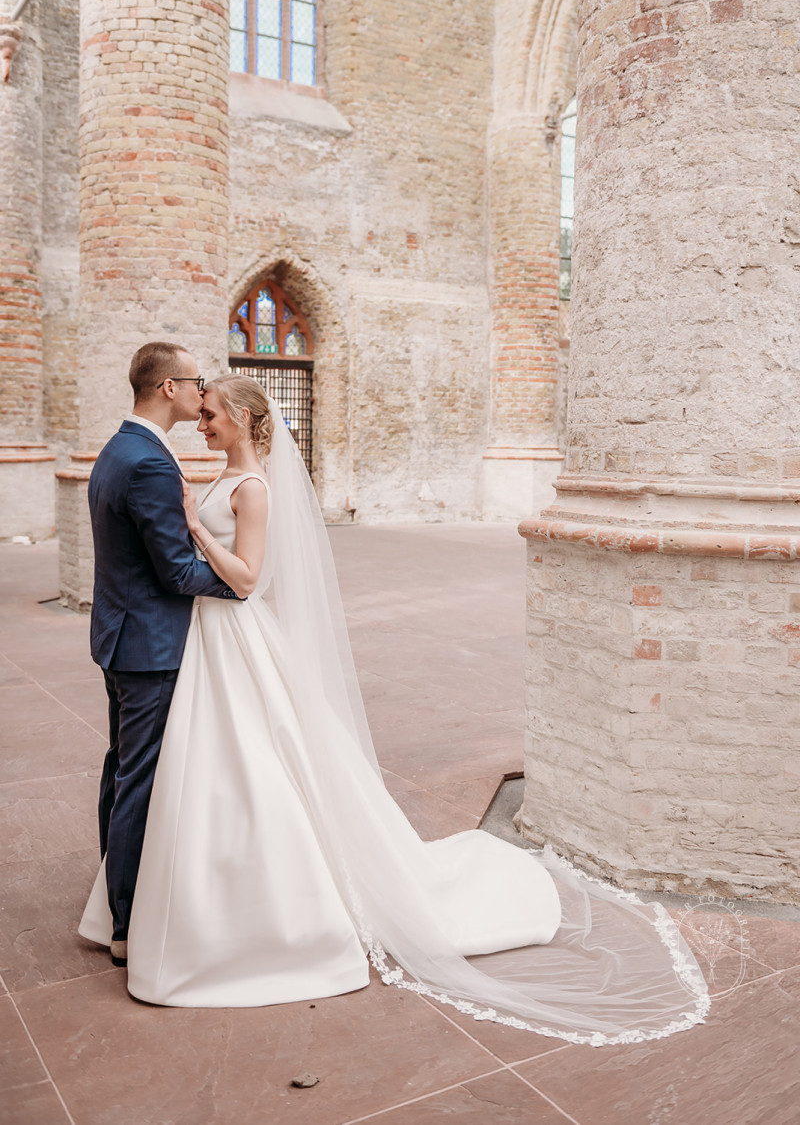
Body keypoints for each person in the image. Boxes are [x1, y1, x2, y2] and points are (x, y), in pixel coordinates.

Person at [80, 375, 709, 1044]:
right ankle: (191, 904)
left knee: (253, 767)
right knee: (210, 770)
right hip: (207, 645)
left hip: (232, 634)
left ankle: (275, 920)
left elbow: (247, 580)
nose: (200, 424)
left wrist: (191, 532)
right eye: (200, 414)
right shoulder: (217, 479)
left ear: (239, 417)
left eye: (208, 415)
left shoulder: (254, 489)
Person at [86, 343, 240, 968]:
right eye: (195, 382)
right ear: (170, 387)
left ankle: (113, 903)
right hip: (150, 645)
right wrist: (239, 583)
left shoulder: (119, 447)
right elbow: (178, 572)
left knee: (121, 769)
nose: (200, 393)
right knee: (139, 782)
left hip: (120, 636)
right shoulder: (149, 462)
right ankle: (126, 924)